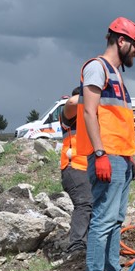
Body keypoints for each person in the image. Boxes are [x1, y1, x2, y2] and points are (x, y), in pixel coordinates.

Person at [75, 17, 135, 271]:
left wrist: (128, 155)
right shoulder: (98, 68)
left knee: (116, 220)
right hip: (107, 156)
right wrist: (100, 153)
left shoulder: (115, 73)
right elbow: (89, 113)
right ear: (121, 40)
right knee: (103, 220)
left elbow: (117, 120)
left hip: (121, 156)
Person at [59, 86, 92, 258]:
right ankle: (77, 246)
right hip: (74, 167)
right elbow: (72, 102)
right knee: (85, 203)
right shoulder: (70, 114)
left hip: (89, 167)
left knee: (94, 206)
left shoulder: (91, 116)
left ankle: (91, 245)